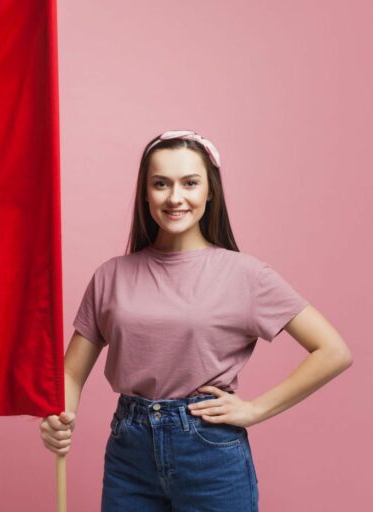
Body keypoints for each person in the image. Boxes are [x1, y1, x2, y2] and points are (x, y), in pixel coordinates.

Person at [38, 130, 353, 511]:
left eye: (190, 183)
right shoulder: (111, 276)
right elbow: (72, 373)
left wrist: (255, 410)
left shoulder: (245, 274)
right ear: (145, 193)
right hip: (129, 452)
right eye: (161, 184)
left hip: (210, 452)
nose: (175, 197)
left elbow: (333, 350)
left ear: (209, 191)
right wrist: (62, 416)